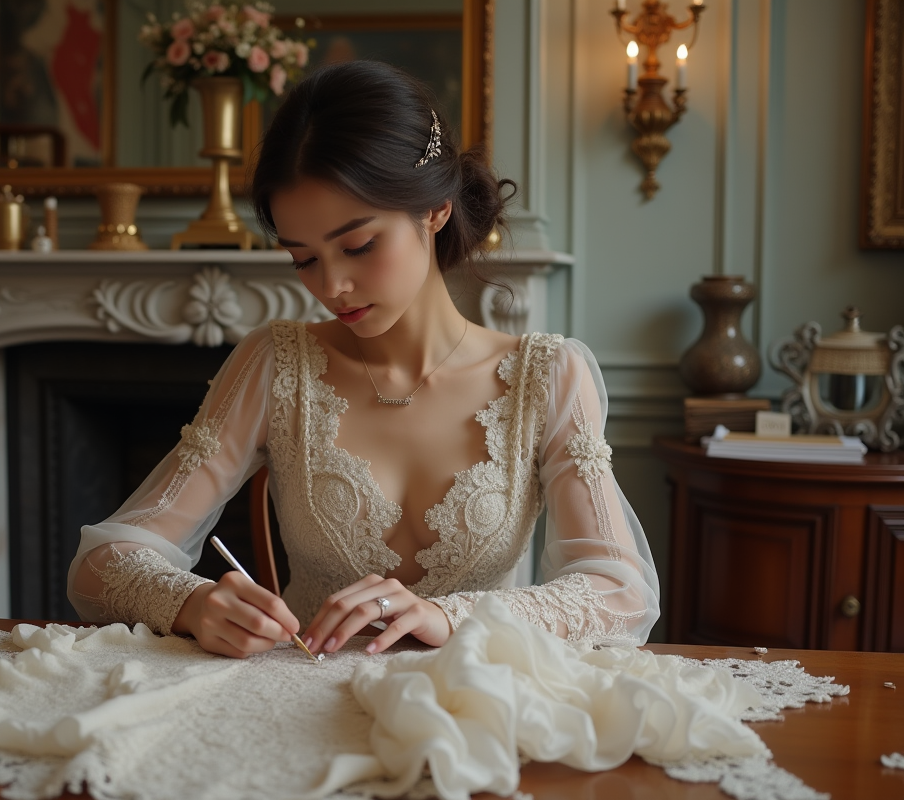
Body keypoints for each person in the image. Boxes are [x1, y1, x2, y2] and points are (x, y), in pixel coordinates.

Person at [67, 61, 659, 659]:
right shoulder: (276, 365)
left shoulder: (547, 378)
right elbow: (101, 562)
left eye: (358, 246)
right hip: (303, 692)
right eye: (304, 259)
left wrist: (450, 616)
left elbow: (622, 593)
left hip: (470, 698)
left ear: (436, 210)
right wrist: (192, 603)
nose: (332, 287)